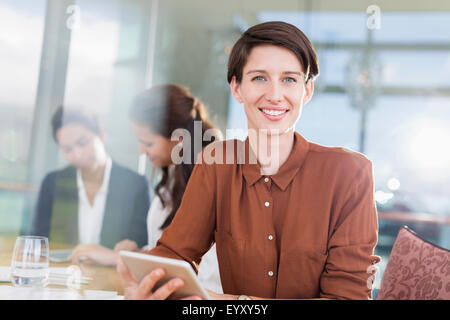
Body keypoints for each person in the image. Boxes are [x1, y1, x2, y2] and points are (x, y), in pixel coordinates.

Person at [117, 21, 382, 300]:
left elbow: (347, 298)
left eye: (289, 79)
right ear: (236, 88)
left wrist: (226, 302)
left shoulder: (349, 173)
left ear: (307, 91)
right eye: (259, 78)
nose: (275, 95)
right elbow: (174, 253)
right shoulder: (217, 162)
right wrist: (150, 279)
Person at [68, 84, 224, 294]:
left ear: (178, 141)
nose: (142, 151)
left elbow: (202, 273)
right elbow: (173, 255)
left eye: (148, 143)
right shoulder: (171, 176)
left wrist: (120, 259)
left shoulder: (213, 181)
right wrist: (139, 254)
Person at [29, 106, 149, 249]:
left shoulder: (135, 185)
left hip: (112, 270)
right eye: (68, 149)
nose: (77, 154)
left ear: (102, 135)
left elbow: (141, 241)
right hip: (64, 269)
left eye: (82, 143)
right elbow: (39, 240)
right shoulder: (52, 183)